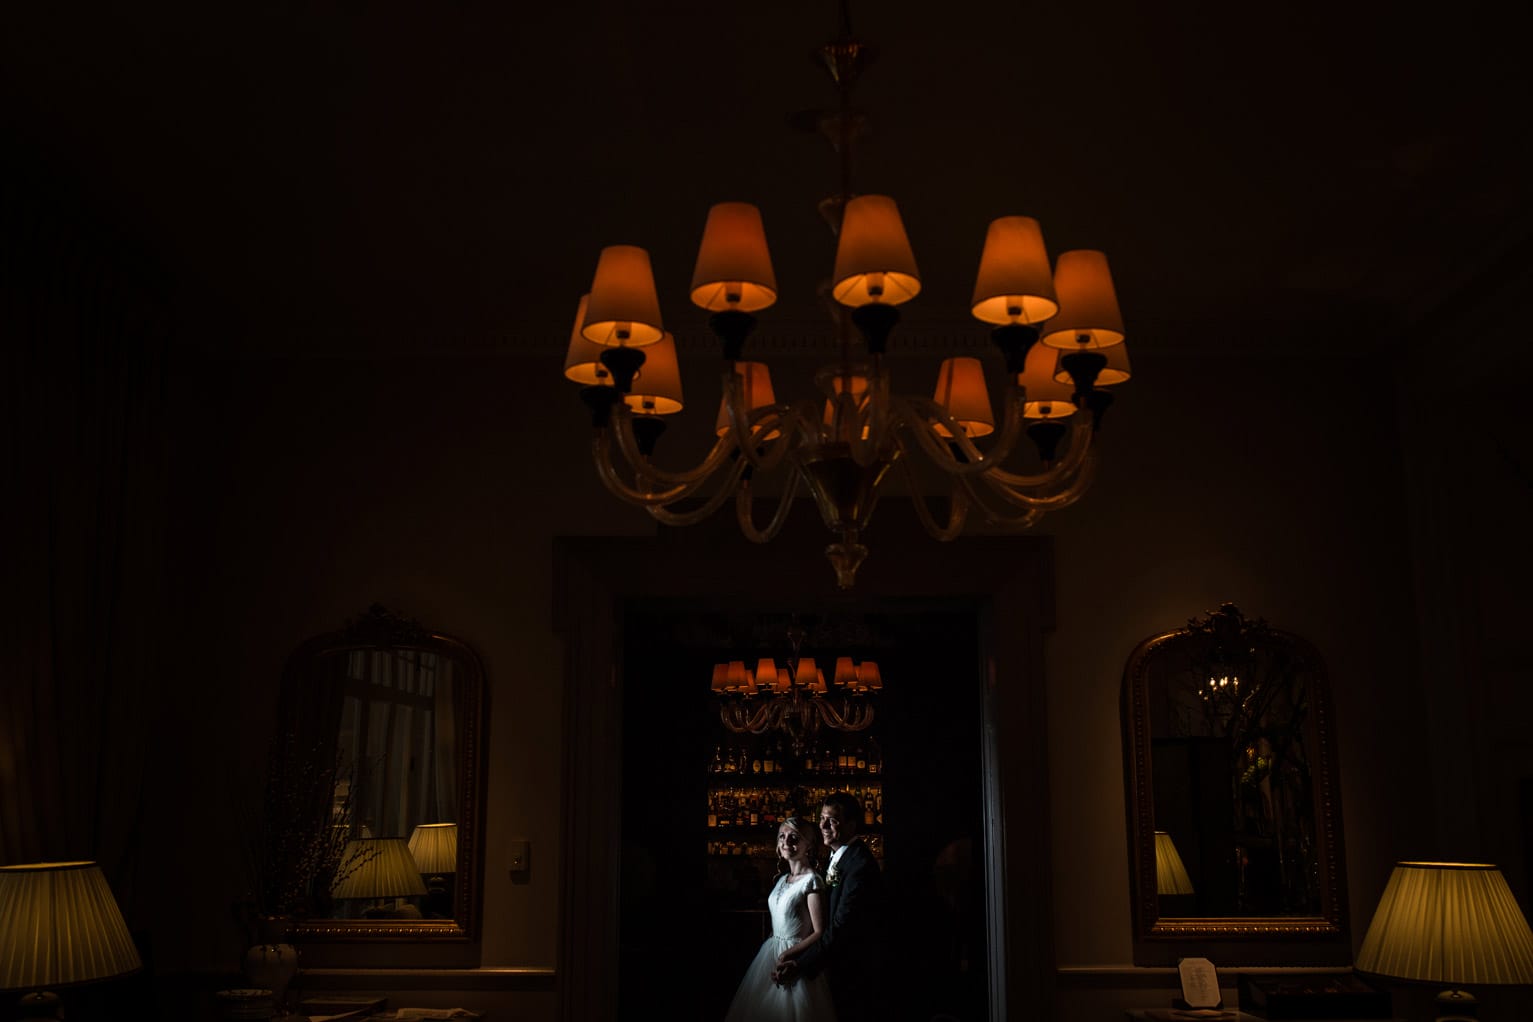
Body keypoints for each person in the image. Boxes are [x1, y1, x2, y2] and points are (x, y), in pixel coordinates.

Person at [772, 791, 886, 1022]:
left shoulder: (859, 865)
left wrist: (801, 964)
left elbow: (840, 926)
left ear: (851, 825)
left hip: (852, 970)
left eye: (832, 820)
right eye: (821, 818)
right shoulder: (837, 858)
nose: (822, 825)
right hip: (831, 963)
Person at [723, 816, 838, 1021]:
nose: (786, 842)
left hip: (795, 956)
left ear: (809, 845)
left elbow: (820, 931)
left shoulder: (812, 881)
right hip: (770, 952)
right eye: (782, 836)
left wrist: (788, 955)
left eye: (794, 837)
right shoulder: (782, 879)